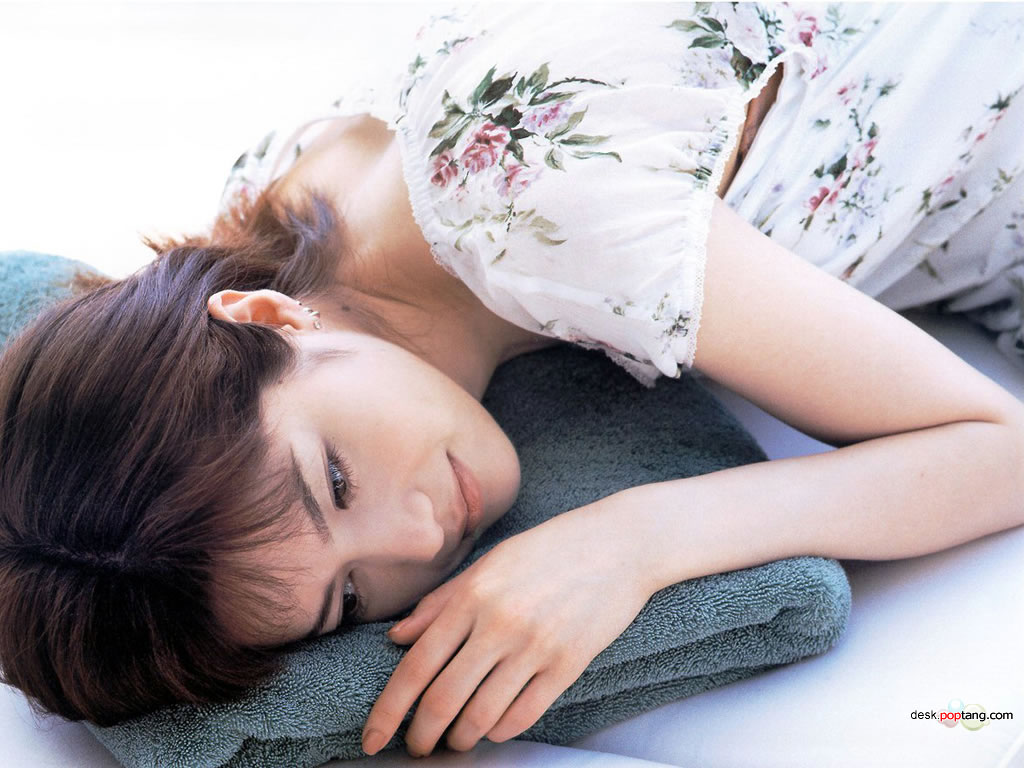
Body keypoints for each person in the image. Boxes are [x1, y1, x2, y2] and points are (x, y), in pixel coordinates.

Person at [1, 1, 1023, 759]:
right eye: (348, 597)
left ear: (267, 319)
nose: (421, 543)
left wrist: (634, 541)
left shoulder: (553, 217)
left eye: (337, 482)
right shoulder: (280, 203)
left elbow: (999, 451)